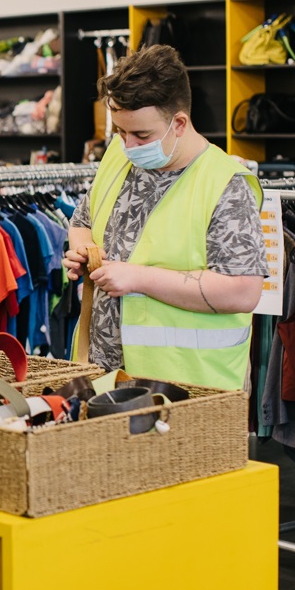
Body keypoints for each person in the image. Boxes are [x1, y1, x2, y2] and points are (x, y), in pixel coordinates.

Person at [62, 45, 266, 391]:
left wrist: (138, 278)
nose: (128, 144)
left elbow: (243, 291)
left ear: (180, 123)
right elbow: (83, 220)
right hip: (103, 379)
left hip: (186, 390)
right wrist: (85, 251)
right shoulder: (119, 156)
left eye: (141, 135)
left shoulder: (224, 184)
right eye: (120, 132)